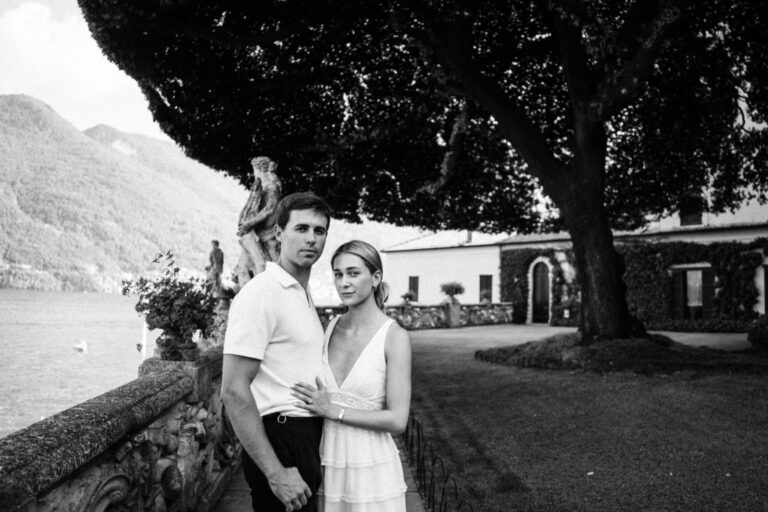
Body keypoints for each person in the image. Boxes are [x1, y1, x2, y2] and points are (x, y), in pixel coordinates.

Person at [221, 192, 332, 512]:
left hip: (305, 436)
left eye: (319, 230)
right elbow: (232, 389)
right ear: (278, 233)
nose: (311, 238)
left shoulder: (301, 294)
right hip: (282, 439)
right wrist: (276, 472)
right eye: (301, 228)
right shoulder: (262, 293)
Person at [291, 240, 411, 512]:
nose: (344, 282)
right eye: (338, 273)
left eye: (354, 273)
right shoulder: (330, 327)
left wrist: (335, 411)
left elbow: (398, 420)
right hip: (327, 460)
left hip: (372, 466)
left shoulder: (394, 337)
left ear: (376, 277)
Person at [235, 156, 283, 287]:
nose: (253, 173)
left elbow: (268, 210)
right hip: (255, 234)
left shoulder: (272, 186)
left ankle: (263, 297)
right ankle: (248, 300)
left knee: (270, 269)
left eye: (254, 169)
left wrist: (248, 224)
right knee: (243, 268)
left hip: (266, 235)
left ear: (258, 169)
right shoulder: (262, 187)